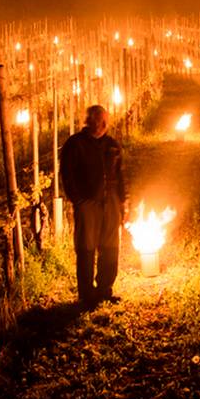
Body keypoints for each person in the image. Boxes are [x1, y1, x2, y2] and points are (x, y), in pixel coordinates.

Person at [60, 105, 128, 308]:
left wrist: (123, 200)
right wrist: (77, 200)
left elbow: (120, 174)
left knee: (110, 246)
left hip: (111, 201)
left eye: (106, 121)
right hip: (88, 202)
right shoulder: (75, 144)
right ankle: (87, 294)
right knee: (86, 247)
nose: (103, 125)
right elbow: (67, 174)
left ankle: (105, 289)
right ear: (88, 121)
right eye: (99, 121)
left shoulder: (112, 145)